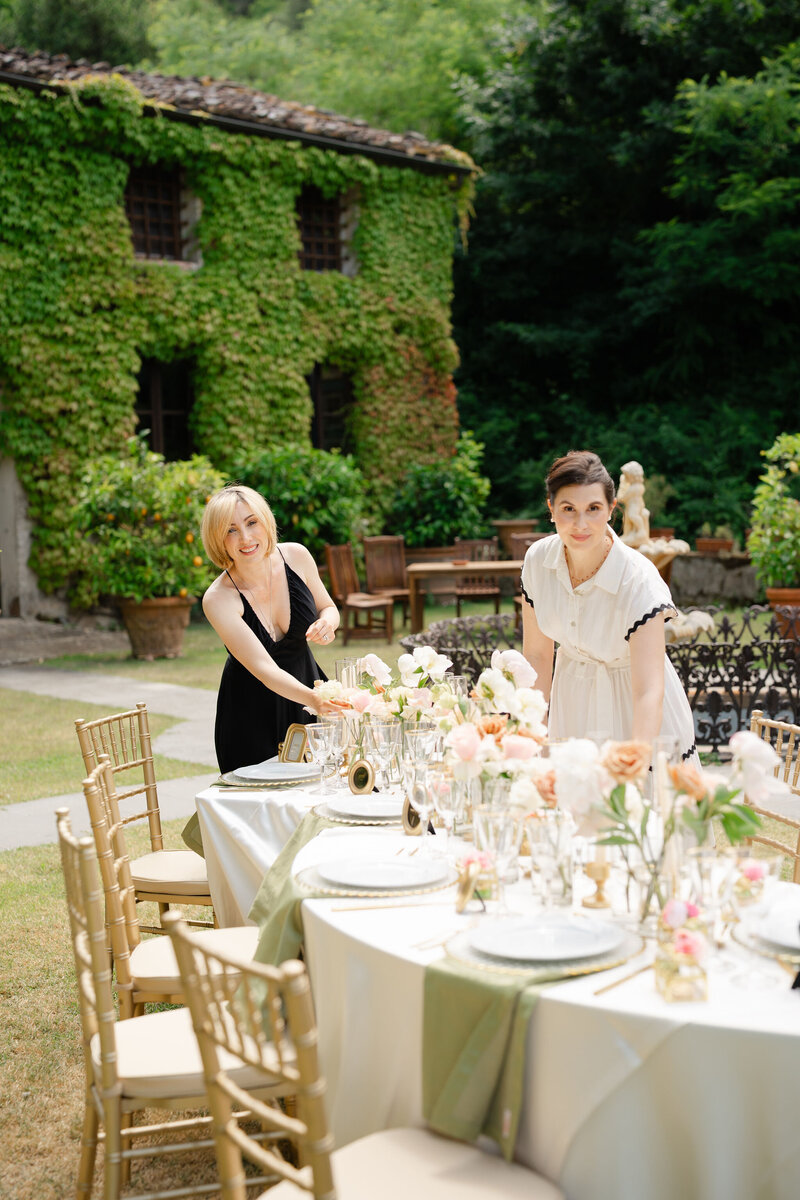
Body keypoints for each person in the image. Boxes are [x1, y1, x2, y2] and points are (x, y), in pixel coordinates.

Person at [521, 450, 697, 762]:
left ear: (611, 510)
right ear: (551, 508)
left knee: (633, 806)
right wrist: (532, 732)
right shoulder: (537, 561)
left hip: (639, 714)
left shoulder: (639, 580)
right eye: (568, 509)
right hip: (572, 702)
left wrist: (634, 762)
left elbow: (648, 691)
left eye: (593, 508)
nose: (580, 523)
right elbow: (536, 655)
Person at [201, 483, 339, 773]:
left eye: (252, 523)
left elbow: (328, 606)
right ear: (217, 539)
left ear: (266, 522)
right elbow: (265, 669)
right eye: (230, 530)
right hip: (251, 713)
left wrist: (327, 622)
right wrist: (314, 699)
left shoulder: (297, 556)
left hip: (308, 692)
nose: (246, 537)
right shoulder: (218, 599)